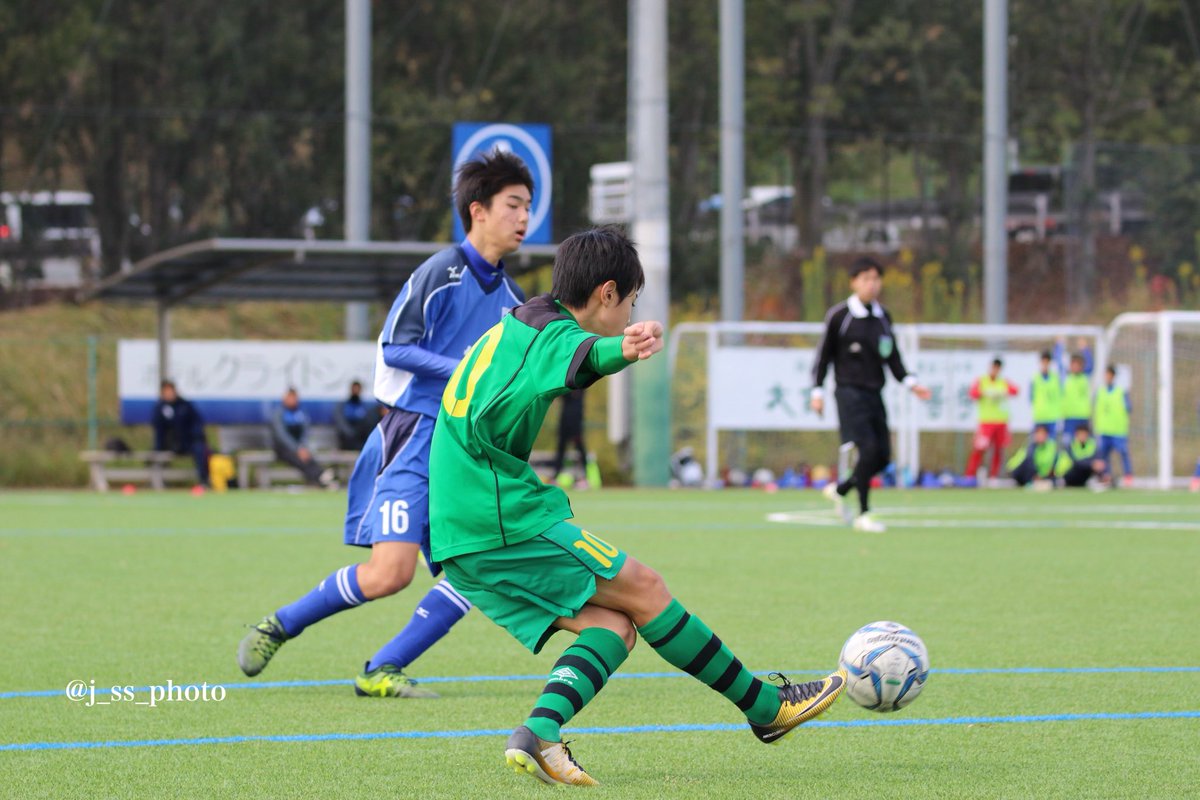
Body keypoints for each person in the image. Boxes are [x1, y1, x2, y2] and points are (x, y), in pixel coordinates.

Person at [428, 227, 845, 787]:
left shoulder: (518, 323)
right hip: (496, 513)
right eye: (629, 301)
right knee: (646, 589)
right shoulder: (549, 337)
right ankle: (766, 708)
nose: (629, 313)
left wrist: (613, 347)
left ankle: (539, 733)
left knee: (613, 625)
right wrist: (623, 349)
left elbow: (566, 358)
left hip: (463, 523)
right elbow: (582, 357)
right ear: (605, 293)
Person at [237, 150, 533, 698]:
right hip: (416, 435)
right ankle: (280, 624)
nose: (524, 218)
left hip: (464, 452)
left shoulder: (515, 303)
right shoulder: (439, 274)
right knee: (388, 574)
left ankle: (381, 669)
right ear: (478, 210)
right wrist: (464, 372)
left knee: (479, 573)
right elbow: (396, 349)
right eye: (513, 204)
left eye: (528, 207)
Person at [810, 256, 931, 533]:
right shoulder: (840, 316)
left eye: (876, 279)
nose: (872, 284)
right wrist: (817, 392)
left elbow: (893, 358)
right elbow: (823, 357)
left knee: (884, 458)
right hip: (848, 393)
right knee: (868, 450)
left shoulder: (883, 317)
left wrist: (911, 382)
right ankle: (864, 513)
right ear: (854, 282)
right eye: (866, 279)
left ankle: (841, 489)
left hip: (875, 393)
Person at [268, 387, 334, 487]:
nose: (293, 400)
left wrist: (302, 447)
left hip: (300, 448)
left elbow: (305, 433)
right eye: (290, 397)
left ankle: (321, 476)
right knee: (298, 458)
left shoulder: (300, 413)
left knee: (307, 456)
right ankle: (320, 476)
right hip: (283, 449)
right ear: (285, 398)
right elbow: (282, 436)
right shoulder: (279, 413)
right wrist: (297, 449)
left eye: (295, 398)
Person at [965, 358, 1018, 481]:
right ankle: (970, 476)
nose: (995, 370)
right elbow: (972, 393)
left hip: (1000, 422)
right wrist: (984, 393)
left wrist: (1002, 391)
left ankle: (993, 476)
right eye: (993, 367)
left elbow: (1015, 390)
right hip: (986, 423)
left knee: (998, 450)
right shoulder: (982, 381)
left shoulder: (1003, 382)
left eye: (997, 368)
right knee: (979, 449)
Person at [151, 380, 210, 488]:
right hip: (170, 444)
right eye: (166, 391)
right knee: (157, 453)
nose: (169, 394)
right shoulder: (160, 408)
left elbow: (197, 423)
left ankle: (204, 481)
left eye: (171, 391)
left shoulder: (185, 405)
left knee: (200, 449)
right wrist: (157, 448)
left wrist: (196, 437)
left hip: (189, 442)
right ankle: (159, 483)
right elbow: (159, 430)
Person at [1093, 365, 1133, 487]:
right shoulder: (1100, 392)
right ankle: (1107, 477)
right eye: (1106, 375)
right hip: (1104, 430)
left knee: (1123, 453)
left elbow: (1128, 408)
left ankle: (1128, 476)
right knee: (1104, 456)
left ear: (1114, 377)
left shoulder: (1121, 392)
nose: (1108, 377)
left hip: (1118, 430)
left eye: (1110, 375)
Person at [551, 389, 588, 487]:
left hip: (575, 420)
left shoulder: (581, 385)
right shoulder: (566, 386)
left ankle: (585, 478)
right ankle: (555, 477)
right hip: (565, 420)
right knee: (561, 448)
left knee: (579, 448)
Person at [1058, 424, 1109, 488]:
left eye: (1084, 434)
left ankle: (1101, 479)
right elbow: (1075, 462)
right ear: (1076, 434)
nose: (1082, 436)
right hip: (1070, 473)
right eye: (1080, 434)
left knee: (1098, 464)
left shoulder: (1092, 444)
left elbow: (1097, 458)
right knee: (1083, 466)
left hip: (1085, 472)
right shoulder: (1070, 445)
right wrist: (1091, 464)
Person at [333, 379, 378, 451]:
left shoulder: (363, 407)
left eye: (358, 389)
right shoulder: (343, 406)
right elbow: (341, 422)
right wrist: (350, 433)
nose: (356, 391)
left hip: (360, 437)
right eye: (354, 389)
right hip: (347, 437)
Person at [1060, 351, 1093, 445]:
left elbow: (1091, 365)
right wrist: (1059, 345)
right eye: (1073, 364)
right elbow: (1059, 363)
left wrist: (1085, 349)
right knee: (1067, 443)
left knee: (1084, 443)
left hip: (1082, 416)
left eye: (1078, 365)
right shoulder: (1065, 378)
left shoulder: (1085, 378)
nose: (1075, 367)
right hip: (1069, 416)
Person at [1030, 350, 1062, 441]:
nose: (1045, 364)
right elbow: (1031, 398)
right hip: (1039, 417)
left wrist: (1059, 345)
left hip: (1052, 417)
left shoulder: (1056, 378)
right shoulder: (1035, 379)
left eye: (1047, 362)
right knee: (1037, 443)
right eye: (1043, 362)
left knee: (1051, 443)